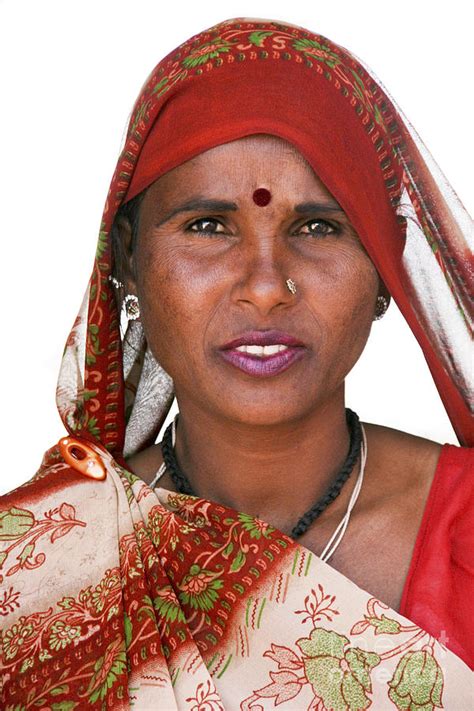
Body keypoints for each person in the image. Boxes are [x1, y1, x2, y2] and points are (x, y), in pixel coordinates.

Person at [1, 16, 472, 709]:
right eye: (207, 225)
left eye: (318, 227)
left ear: (384, 266)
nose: (263, 283)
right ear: (128, 259)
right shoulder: (38, 571)